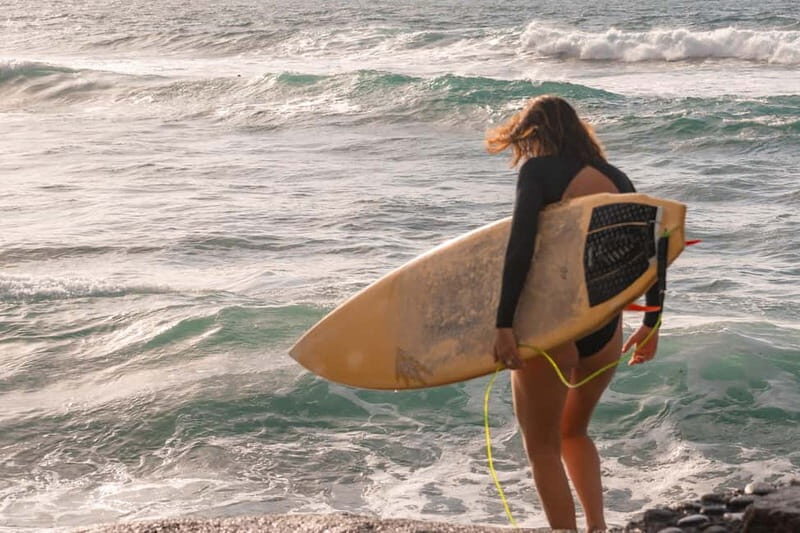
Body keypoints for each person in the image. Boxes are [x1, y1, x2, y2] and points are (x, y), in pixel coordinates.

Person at [486, 95, 660, 532]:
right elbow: (651, 252)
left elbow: (520, 248)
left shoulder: (539, 172)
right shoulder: (617, 178)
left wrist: (503, 323)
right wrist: (652, 322)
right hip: (605, 331)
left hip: (553, 327)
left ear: (536, 135)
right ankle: (598, 528)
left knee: (541, 447)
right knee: (573, 433)